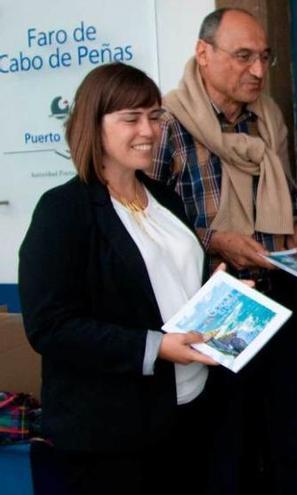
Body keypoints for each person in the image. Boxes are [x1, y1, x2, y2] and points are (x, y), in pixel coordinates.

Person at [18, 63, 217, 495]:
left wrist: (220, 292)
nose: (149, 129)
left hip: (187, 406)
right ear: (95, 124)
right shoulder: (63, 210)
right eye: (131, 118)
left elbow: (172, 280)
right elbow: (49, 325)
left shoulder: (162, 194)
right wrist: (155, 346)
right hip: (110, 432)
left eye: (155, 116)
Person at [149, 8, 297, 495]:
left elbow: (288, 191)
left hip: (280, 291)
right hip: (216, 304)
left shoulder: (266, 118)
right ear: (203, 55)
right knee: (227, 441)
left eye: (264, 57)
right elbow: (150, 225)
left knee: (292, 429)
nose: (259, 71)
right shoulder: (165, 124)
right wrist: (213, 241)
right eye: (243, 57)